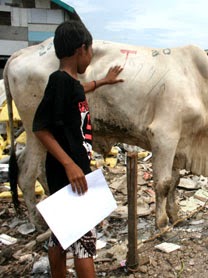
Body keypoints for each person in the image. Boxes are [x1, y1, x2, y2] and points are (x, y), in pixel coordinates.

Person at [32, 20, 123, 277]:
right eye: (91, 51)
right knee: (84, 247)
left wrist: (103, 81)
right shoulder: (59, 81)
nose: (91, 57)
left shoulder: (68, 82)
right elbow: (40, 128)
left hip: (71, 171)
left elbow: (77, 90)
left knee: (60, 238)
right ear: (81, 49)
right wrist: (70, 164)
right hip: (70, 174)